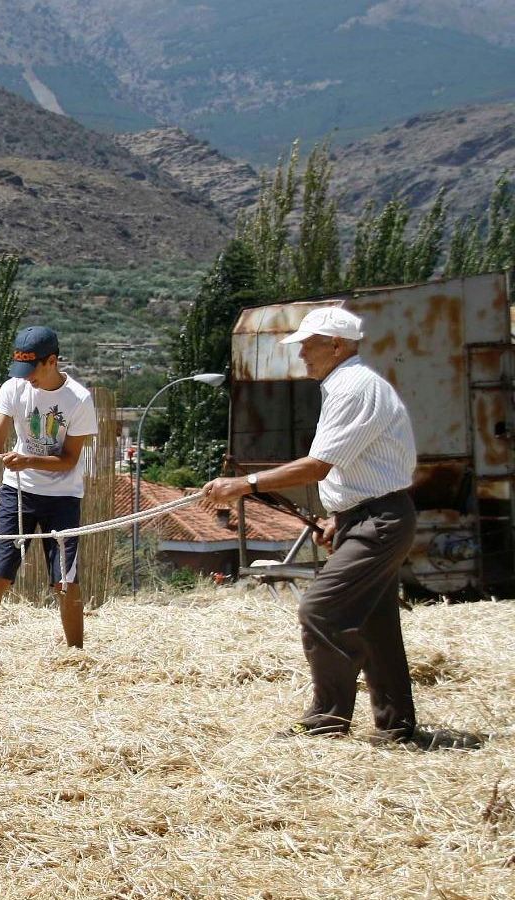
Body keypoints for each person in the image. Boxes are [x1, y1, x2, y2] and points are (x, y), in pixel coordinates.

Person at [199, 306, 479, 750]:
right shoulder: (350, 385)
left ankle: (327, 719)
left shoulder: (353, 387)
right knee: (374, 624)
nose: (302, 356)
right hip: (373, 516)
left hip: (378, 520)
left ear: (336, 345)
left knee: (320, 612)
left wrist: (244, 484)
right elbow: (361, 466)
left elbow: (319, 465)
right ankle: (396, 728)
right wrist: (338, 517)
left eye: (308, 346)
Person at [0, 325, 98, 663]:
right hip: (18, 493)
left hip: (63, 499)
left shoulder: (79, 400)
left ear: (52, 361)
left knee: (65, 581)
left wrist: (28, 459)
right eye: (22, 372)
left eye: (33, 371)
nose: (28, 379)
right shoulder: (14, 388)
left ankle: (76, 659)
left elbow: (69, 461)